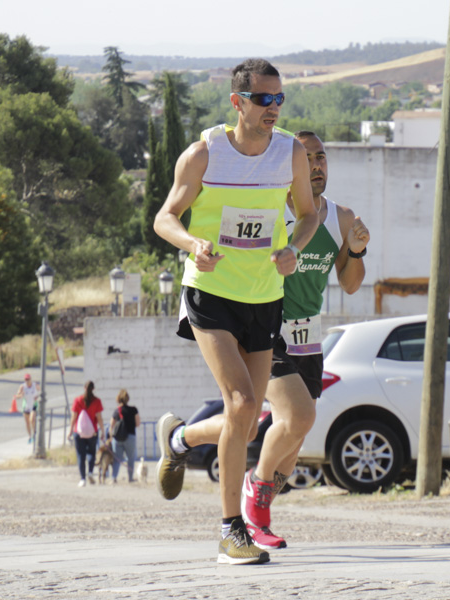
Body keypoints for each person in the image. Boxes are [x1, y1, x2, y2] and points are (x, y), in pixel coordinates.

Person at [153, 57, 317, 565]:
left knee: (243, 418)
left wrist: (294, 247)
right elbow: (164, 217)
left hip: (265, 296)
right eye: (263, 99)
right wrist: (190, 242)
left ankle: (179, 439)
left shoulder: (290, 153)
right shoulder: (202, 155)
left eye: (279, 98)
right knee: (243, 403)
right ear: (237, 102)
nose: (273, 108)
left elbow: (307, 214)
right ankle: (231, 530)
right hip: (212, 291)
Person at [242, 130, 369, 549]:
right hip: (267, 328)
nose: (316, 166)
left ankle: (181, 438)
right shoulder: (272, 210)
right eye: (308, 158)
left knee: (291, 445)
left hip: (308, 338)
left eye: (322, 157)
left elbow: (351, 286)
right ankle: (255, 500)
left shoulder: (342, 217)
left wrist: (355, 251)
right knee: (299, 418)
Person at [70, 381, 103, 487]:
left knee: (81, 455)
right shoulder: (97, 401)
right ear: (93, 389)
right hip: (92, 432)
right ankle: (90, 472)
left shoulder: (77, 400)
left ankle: (83, 479)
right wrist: (102, 430)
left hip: (78, 432)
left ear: (84, 388)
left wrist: (70, 430)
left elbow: (74, 417)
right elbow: (99, 417)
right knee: (91, 453)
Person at [109, 389, 141, 483]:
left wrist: (110, 437)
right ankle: (130, 478)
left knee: (117, 458)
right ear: (128, 399)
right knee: (130, 458)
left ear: (118, 399)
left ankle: (114, 478)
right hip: (130, 437)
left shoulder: (117, 411)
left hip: (117, 438)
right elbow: (138, 423)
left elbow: (111, 425)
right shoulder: (134, 410)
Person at [13, 374, 39, 443]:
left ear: (31, 379)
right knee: (27, 422)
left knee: (32, 420)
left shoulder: (35, 385)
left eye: (28, 379)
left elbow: (41, 392)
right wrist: (20, 395)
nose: (27, 381)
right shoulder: (22, 387)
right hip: (26, 405)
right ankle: (30, 436)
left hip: (34, 404)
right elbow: (17, 395)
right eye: (26, 380)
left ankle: (34, 433)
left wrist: (38, 396)